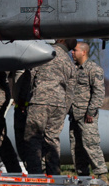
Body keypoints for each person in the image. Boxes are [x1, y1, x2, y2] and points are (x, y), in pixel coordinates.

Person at [23, 40, 75, 175]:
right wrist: (64, 108)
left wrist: (26, 99)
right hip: (59, 104)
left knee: (33, 138)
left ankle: (35, 177)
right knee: (52, 140)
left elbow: (31, 76)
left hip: (40, 101)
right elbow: (70, 89)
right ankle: (54, 176)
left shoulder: (44, 53)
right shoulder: (69, 62)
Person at [68, 41, 109, 179]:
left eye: (75, 50)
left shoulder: (93, 69)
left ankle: (102, 175)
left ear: (83, 52)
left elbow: (99, 92)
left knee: (91, 145)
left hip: (87, 116)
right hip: (74, 114)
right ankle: (82, 176)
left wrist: (91, 111)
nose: (72, 53)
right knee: (76, 148)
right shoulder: (73, 69)